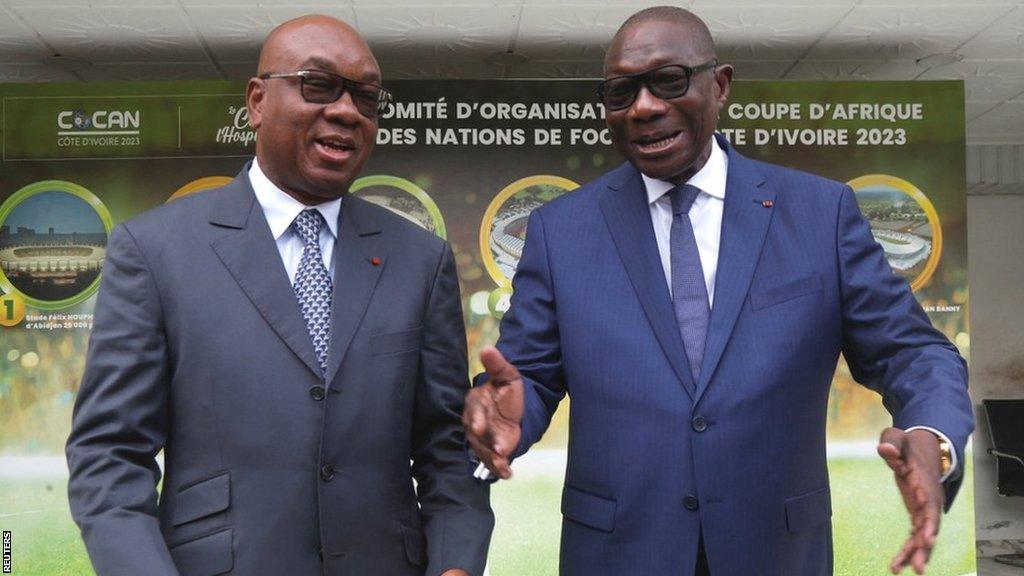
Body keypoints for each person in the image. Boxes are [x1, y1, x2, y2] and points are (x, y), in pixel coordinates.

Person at [464, 6, 972, 576]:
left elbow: (914, 351)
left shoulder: (819, 214)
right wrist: (508, 416)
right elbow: (527, 375)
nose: (645, 107)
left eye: (669, 81)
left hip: (778, 555)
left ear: (720, 84)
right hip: (618, 556)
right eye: (620, 91)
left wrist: (933, 435)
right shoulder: (562, 231)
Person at [66, 15, 492, 576]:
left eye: (367, 97)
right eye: (318, 85)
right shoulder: (154, 249)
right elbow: (109, 455)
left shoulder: (420, 259)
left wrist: (456, 565)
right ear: (257, 101)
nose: (346, 110)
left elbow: (445, 448)